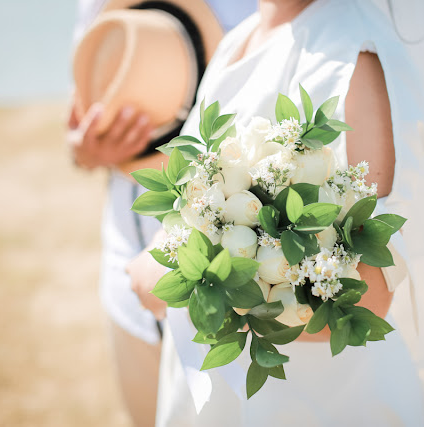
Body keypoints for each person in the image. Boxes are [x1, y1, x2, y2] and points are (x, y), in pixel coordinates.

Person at [127, 0, 424, 425]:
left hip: (314, 400)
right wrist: (167, 248)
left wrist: (186, 286)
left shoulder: (354, 57)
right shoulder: (238, 41)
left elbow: (372, 290)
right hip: (217, 394)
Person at [67, 1, 257, 426]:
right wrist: (86, 151)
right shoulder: (101, 14)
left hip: (238, 292)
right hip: (126, 282)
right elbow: (76, 128)